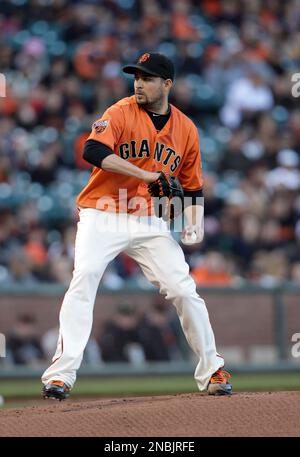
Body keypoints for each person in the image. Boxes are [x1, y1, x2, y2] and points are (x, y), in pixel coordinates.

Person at [41, 52, 232, 401]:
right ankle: (60, 376)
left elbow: (192, 186)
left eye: (147, 78)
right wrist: (145, 174)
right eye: (136, 77)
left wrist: (193, 223)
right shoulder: (120, 111)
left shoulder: (186, 129)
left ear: (167, 84)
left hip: (149, 219)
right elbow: (92, 150)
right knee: (84, 278)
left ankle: (212, 370)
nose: (139, 83)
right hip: (103, 211)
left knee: (183, 289)